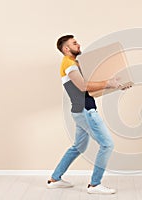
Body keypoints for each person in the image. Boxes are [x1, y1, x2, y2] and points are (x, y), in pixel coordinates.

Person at [47, 35, 128, 194]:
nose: (78, 44)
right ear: (66, 49)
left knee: (78, 147)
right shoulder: (69, 64)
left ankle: (55, 179)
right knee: (107, 144)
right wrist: (108, 83)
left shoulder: (74, 64)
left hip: (81, 110)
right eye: (74, 43)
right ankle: (95, 185)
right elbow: (83, 86)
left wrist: (115, 86)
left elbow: (88, 90)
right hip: (85, 112)